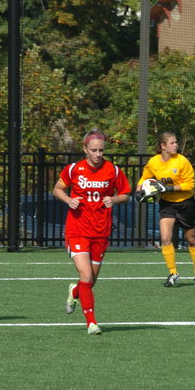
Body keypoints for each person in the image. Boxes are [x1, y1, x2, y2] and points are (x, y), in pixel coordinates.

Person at [53, 129, 131, 335]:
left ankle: (74, 290)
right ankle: (92, 323)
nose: (98, 154)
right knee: (86, 275)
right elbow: (57, 189)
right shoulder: (74, 169)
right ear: (85, 149)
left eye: (101, 150)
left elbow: (125, 194)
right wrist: (68, 200)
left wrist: (113, 199)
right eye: (94, 150)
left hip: (101, 231)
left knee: (90, 281)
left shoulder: (113, 170)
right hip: (77, 229)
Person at [136, 132, 195, 287]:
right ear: (163, 146)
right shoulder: (154, 162)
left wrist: (169, 188)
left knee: (191, 239)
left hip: (186, 203)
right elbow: (144, 178)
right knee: (166, 238)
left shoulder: (182, 161)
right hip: (167, 204)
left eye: (176, 142)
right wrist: (138, 190)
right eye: (172, 143)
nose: (176, 145)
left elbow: (190, 185)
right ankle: (173, 273)